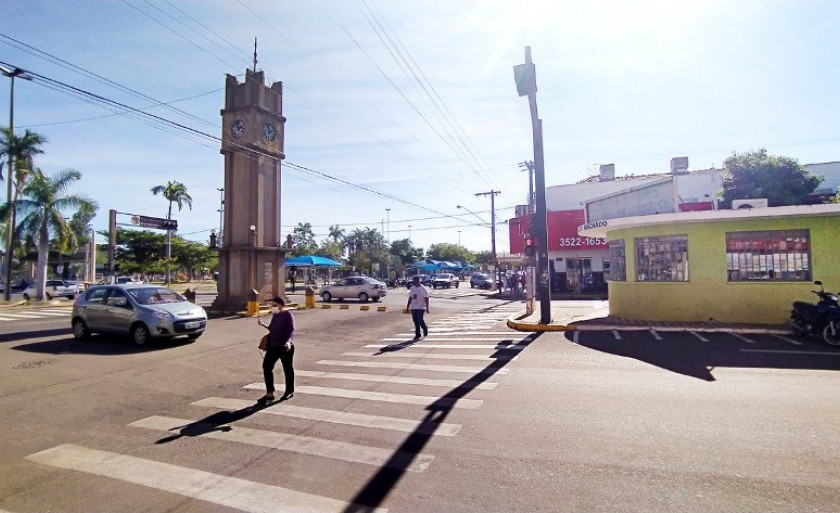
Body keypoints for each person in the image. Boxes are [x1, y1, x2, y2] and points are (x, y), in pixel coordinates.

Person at [256, 296, 295, 404]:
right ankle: (270, 393)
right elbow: (272, 329)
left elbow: (291, 330)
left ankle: (289, 390)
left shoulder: (287, 315)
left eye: (275, 305)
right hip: (273, 346)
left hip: (285, 347)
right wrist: (263, 324)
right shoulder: (275, 315)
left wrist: (288, 342)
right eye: (272, 305)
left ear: (281, 305)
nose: (272, 307)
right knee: (266, 367)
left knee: (287, 368)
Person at [406, 275, 430, 340]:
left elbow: (426, 298)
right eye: (414, 281)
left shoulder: (423, 288)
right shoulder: (412, 288)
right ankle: (417, 334)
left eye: (417, 280)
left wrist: (427, 308)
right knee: (415, 321)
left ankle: (425, 328)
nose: (415, 282)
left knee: (420, 320)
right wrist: (407, 307)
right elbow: (410, 297)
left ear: (419, 281)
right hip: (413, 307)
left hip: (421, 307)